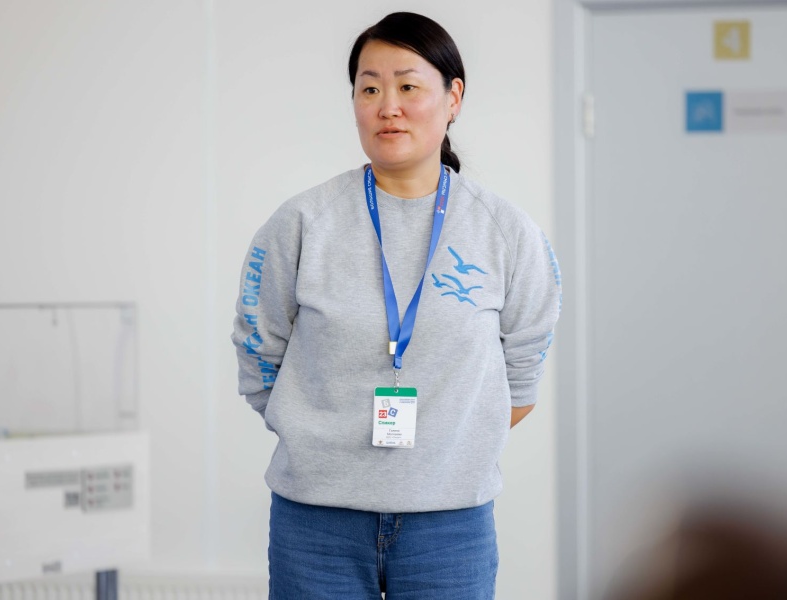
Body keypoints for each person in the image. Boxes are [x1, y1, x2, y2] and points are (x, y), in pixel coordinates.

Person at [232, 11, 561, 599]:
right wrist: (322, 436)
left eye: (408, 86)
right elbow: (258, 351)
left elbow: (521, 375)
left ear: (453, 97)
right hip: (316, 523)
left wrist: (443, 453)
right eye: (370, 89)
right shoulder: (302, 222)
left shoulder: (506, 232)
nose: (388, 107)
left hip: (450, 525)